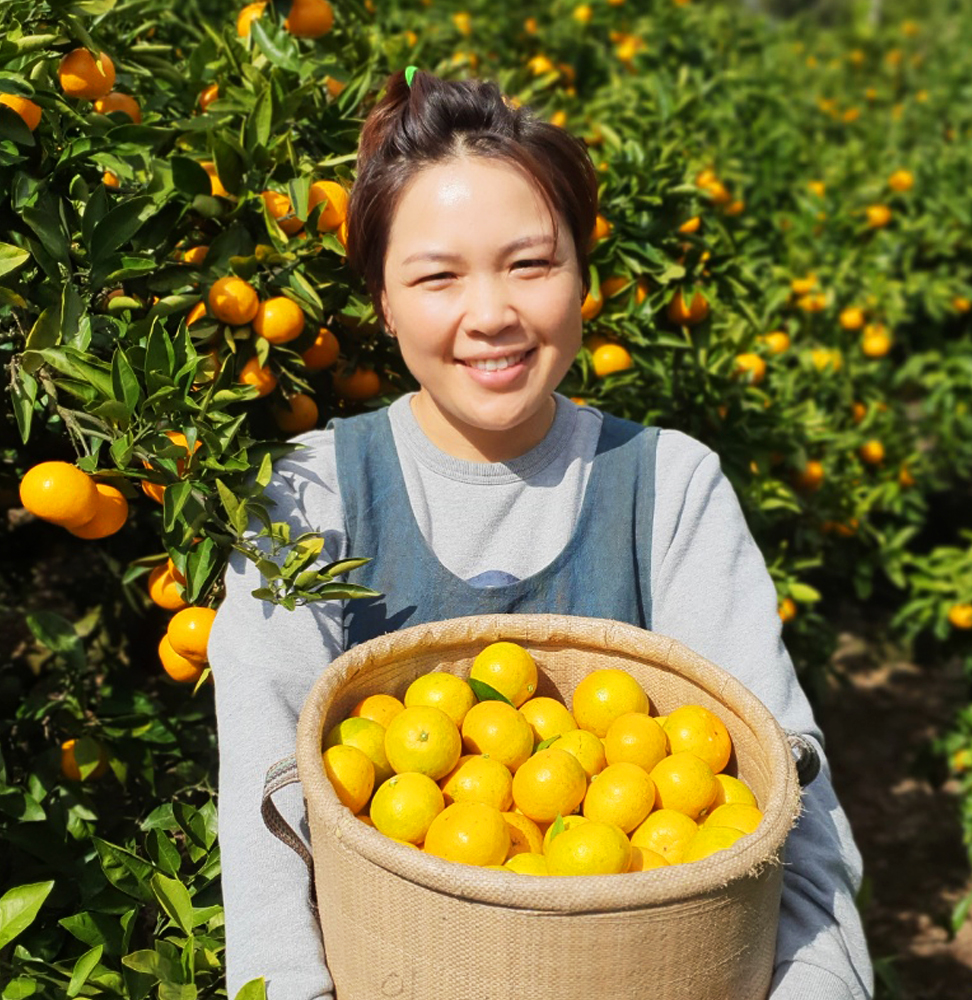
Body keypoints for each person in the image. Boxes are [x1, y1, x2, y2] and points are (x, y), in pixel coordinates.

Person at [208, 68, 874, 1000]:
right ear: (384, 301)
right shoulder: (312, 495)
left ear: (582, 273)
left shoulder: (666, 485)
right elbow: (266, 810)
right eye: (437, 276)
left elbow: (786, 801)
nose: (492, 314)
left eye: (531, 263)